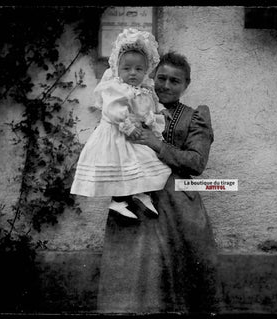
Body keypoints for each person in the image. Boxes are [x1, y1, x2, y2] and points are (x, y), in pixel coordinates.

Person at [96, 51, 222, 314]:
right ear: (152, 77)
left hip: (178, 206)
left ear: (186, 85)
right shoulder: (133, 102)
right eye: (161, 78)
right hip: (135, 199)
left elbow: (196, 163)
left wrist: (157, 144)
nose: (166, 85)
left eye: (175, 81)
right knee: (135, 270)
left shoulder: (194, 117)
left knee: (176, 273)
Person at [70, 28, 171, 219]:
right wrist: (129, 126)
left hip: (134, 135)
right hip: (117, 135)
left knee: (148, 161)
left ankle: (142, 193)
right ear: (118, 68)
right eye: (127, 68)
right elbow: (113, 110)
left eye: (138, 69)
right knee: (121, 167)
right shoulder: (116, 88)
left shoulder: (144, 89)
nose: (132, 73)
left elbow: (150, 106)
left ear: (146, 70)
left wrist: (159, 112)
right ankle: (118, 201)